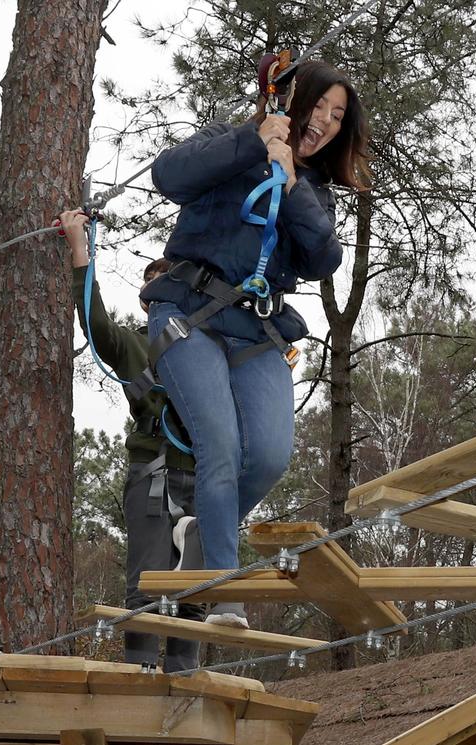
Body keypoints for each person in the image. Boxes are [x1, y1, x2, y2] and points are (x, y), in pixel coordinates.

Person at [145, 61, 367, 629]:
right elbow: (168, 175)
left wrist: (290, 184)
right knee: (219, 446)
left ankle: (200, 527)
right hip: (190, 314)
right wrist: (252, 143)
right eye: (318, 107)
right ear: (294, 102)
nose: (324, 122)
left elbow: (323, 258)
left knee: (268, 456)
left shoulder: (313, 189)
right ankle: (224, 595)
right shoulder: (230, 138)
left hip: (257, 328)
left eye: (337, 117)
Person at [61, 210, 206, 672]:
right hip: (155, 474)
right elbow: (94, 320)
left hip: (205, 476)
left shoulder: (208, 349)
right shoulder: (134, 346)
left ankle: (184, 684)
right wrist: (79, 248)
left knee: (197, 590)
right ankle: (141, 680)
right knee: (146, 585)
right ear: (147, 302)